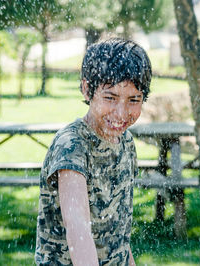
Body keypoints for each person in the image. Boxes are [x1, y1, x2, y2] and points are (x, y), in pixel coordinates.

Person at [35, 38, 152, 266]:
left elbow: (119, 231)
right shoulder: (72, 146)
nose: (121, 112)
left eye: (133, 100)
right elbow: (78, 227)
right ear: (87, 89)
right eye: (110, 97)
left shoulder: (126, 141)